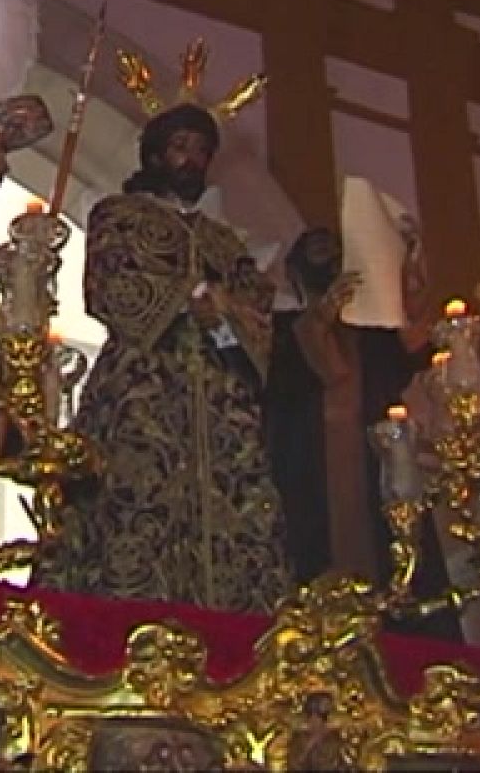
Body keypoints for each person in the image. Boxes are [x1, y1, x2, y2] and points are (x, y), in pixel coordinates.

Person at [35, 102, 292, 614]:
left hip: (219, 392)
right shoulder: (119, 214)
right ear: (154, 153)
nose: (190, 160)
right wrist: (182, 301)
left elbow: (255, 303)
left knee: (238, 504)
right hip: (144, 378)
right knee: (135, 491)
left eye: (200, 151)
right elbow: (110, 283)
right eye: (180, 147)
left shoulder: (222, 239)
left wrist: (225, 314)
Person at [264, 223, 463, 641]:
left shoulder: (373, 338)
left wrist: (405, 268)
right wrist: (315, 325)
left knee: (398, 576)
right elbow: (280, 378)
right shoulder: (278, 330)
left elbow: (415, 343)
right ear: (294, 275)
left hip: (379, 478)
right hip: (303, 476)